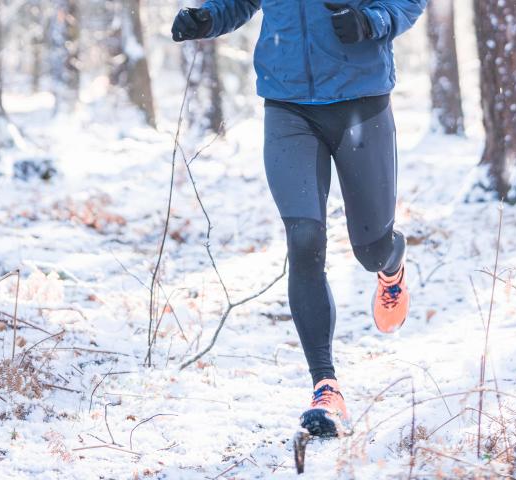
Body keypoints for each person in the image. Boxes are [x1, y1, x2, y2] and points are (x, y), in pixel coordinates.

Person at [171, 0, 426, 437]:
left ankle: (391, 262)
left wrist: (374, 21)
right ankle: (325, 386)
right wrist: (209, 17)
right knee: (304, 239)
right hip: (288, 104)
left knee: (371, 249)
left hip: (360, 100)